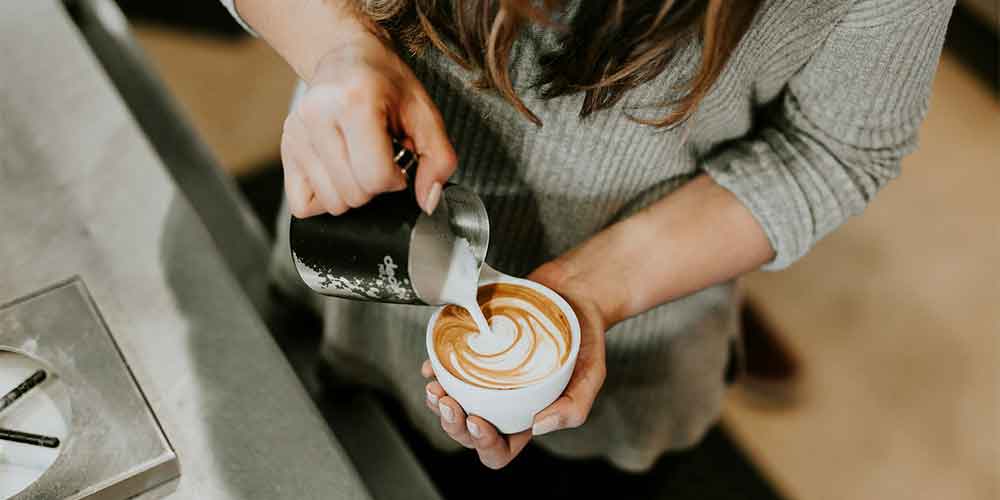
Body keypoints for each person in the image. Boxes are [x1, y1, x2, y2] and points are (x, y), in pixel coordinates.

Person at [219, 0, 953, 471]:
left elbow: (836, 148)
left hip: (633, 350)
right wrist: (336, 49)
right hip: (367, 270)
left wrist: (599, 287)